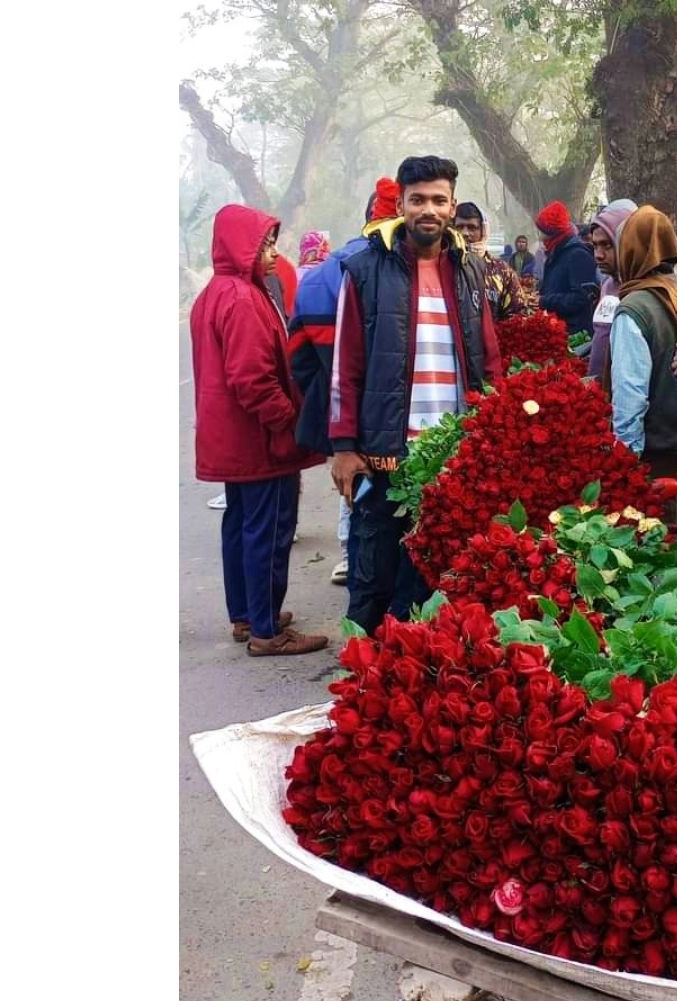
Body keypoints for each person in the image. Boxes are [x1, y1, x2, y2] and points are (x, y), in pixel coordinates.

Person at [329, 155, 504, 631]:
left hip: (453, 453)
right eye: (418, 199)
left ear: (452, 206)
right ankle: (362, 665)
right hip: (387, 451)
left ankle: (419, 667)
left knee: (438, 576)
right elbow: (346, 365)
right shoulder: (364, 270)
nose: (429, 209)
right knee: (374, 574)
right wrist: (344, 447)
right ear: (401, 205)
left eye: (439, 200)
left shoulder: (470, 270)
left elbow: (489, 358)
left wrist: (493, 434)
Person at [190, 205, 330, 657]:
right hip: (259, 440)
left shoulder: (215, 293)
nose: (272, 253)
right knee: (268, 532)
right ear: (240, 247)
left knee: (240, 525)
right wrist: (289, 420)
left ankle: (248, 615)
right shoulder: (243, 299)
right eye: (264, 245)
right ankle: (267, 631)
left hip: (233, 439)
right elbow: (252, 379)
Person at [289, 177, 401, 587]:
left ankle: (352, 560)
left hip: (344, 416)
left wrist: (329, 398)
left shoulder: (318, 276)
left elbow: (298, 357)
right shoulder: (407, 271)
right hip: (396, 416)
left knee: (353, 485)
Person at [607, 206, 677, 529]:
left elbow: (630, 393)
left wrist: (624, 465)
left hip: (655, 453)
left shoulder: (634, 308)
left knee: (654, 546)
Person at [453, 201, 536, 320]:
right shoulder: (444, 266)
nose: (465, 233)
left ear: (483, 231)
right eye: (459, 227)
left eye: (472, 227)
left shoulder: (501, 271)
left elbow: (517, 314)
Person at [583, 199, 636, 384]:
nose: (598, 255)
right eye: (595, 246)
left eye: (607, 245)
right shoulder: (607, 285)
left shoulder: (640, 290)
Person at [533, 200, 601, 338]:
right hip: (558, 329)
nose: (540, 237)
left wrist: (544, 301)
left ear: (553, 232)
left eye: (543, 232)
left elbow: (581, 298)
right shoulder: (557, 252)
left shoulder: (578, 255)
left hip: (575, 335)